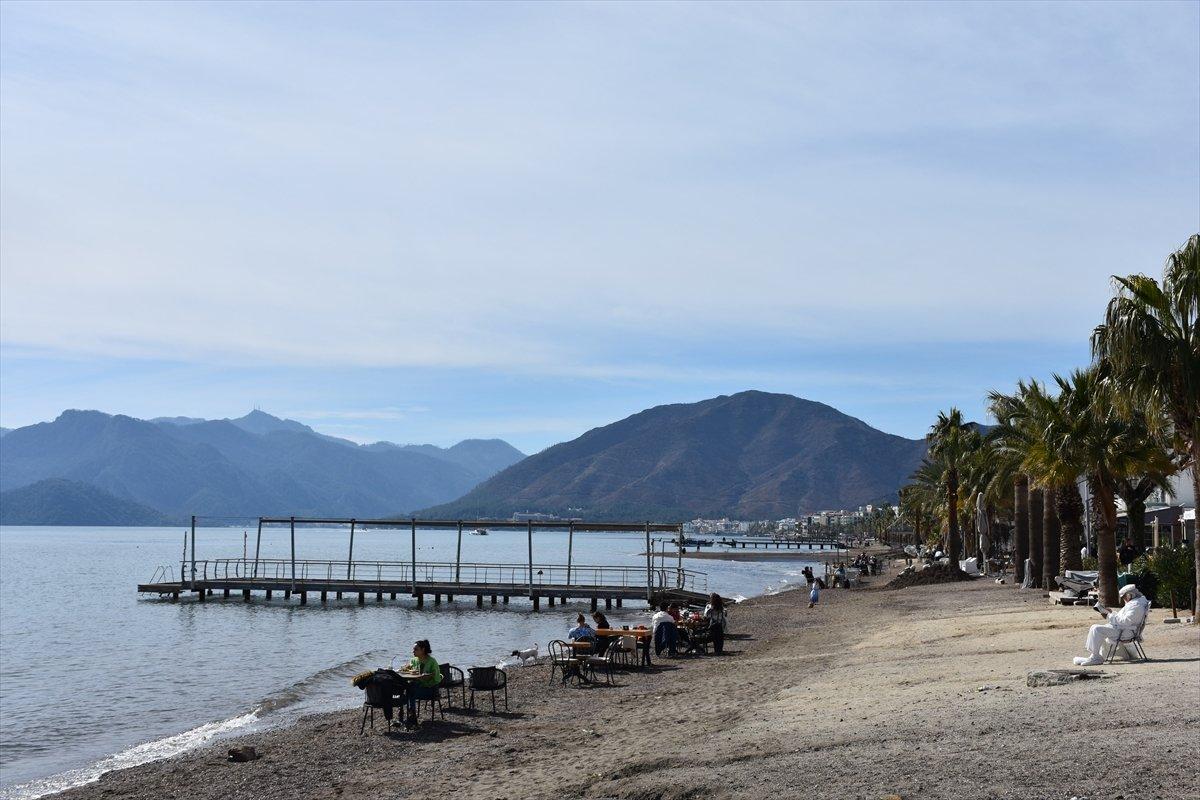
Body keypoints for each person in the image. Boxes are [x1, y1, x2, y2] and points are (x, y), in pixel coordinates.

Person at [1073, 584, 1150, 666]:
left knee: (1096, 629)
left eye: (1124, 597)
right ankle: (1094, 656)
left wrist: (1108, 616)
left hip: (1125, 632)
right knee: (1094, 627)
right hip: (1123, 629)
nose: (1124, 599)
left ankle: (1095, 657)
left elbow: (1125, 621)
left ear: (1129, 595)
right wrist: (1111, 612)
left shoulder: (1136, 606)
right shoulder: (1136, 603)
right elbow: (1123, 618)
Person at [399, 639, 441, 728]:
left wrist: (427, 676)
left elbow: (436, 677)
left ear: (423, 649)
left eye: (415, 649)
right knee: (407, 690)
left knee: (410, 692)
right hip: (417, 688)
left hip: (430, 689)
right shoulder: (414, 660)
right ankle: (410, 716)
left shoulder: (431, 661)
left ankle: (406, 716)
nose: (413, 651)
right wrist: (402, 669)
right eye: (413, 649)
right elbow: (406, 669)